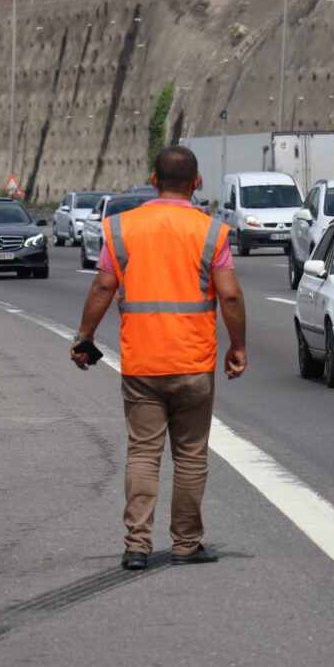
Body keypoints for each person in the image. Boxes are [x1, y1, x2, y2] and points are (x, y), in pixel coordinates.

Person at [71, 146, 247, 571]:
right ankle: (187, 544)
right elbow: (229, 294)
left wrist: (84, 336)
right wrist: (237, 346)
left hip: (142, 365)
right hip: (193, 363)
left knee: (143, 453)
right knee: (190, 455)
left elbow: (101, 288)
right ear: (197, 182)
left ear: (153, 179)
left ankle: (137, 546)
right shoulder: (211, 233)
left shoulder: (121, 229)